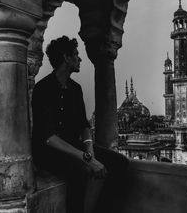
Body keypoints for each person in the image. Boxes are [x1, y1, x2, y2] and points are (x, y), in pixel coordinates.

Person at [31, 35, 128, 213]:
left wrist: (89, 151)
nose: (80, 58)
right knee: (81, 171)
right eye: (76, 54)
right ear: (66, 58)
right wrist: (87, 159)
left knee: (120, 162)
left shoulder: (75, 89)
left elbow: (84, 125)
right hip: (48, 152)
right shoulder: (43, 89)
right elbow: (48, 137)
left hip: (73, 146)